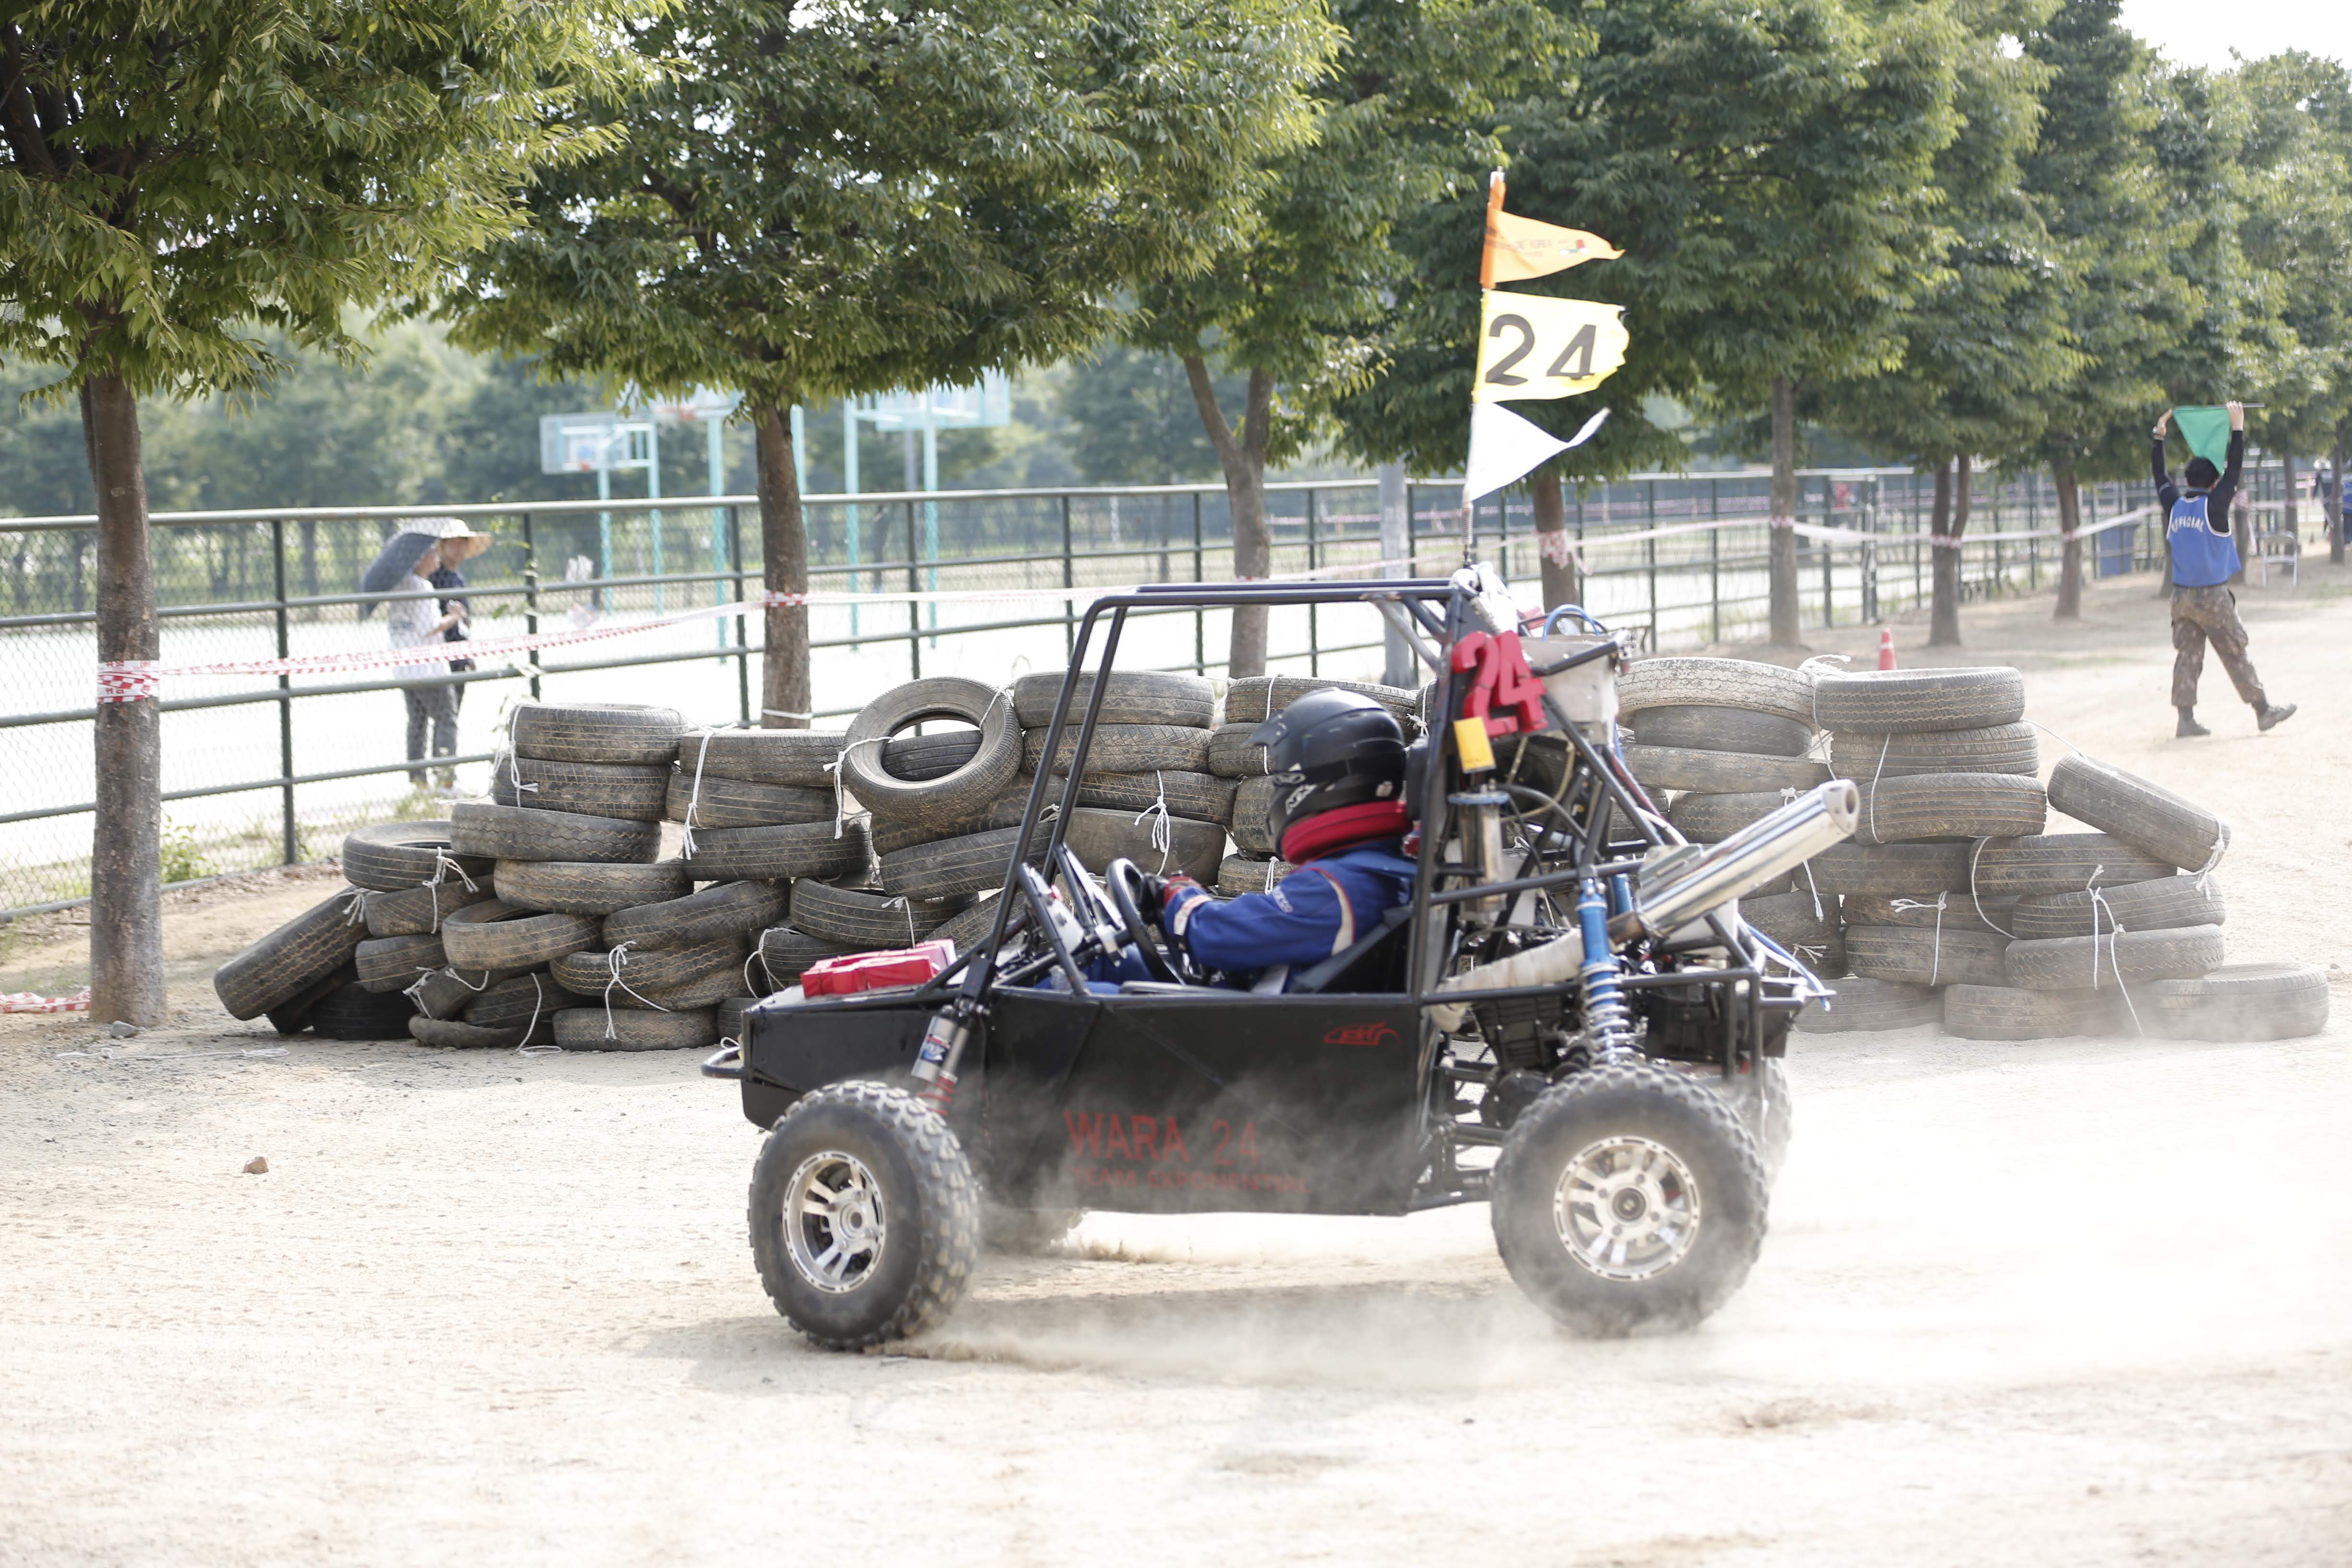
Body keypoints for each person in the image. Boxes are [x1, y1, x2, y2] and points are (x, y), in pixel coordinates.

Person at [1124, 689, 1419, 991]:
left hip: (1256, 1026)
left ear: (1312, 779)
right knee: (1126, 964)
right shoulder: (1383, 869)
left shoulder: (1338, 886)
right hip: (1273, 1007)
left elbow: (1217, 938)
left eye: (1283, 775)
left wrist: (1180, 897)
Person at [2153, 402, 2294, 737]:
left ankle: (2185, 719)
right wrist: (2238, 427)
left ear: (2187, 479)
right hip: (2213, 597)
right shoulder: (2215, 506)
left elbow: (2160, 476)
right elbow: (2235, 469)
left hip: (2181, 597)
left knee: (2187, 656)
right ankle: (2263, 710)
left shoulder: (2174, 505)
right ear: (2215, 484)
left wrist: (2158, 439)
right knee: (2234, 651)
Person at [360, 518, 493, 788]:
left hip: (406, 666)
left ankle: (418, 780)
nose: (436, 558)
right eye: (432, 552)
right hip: (428, 666)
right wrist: (453, 617)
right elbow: (430, 627)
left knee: (418, 721)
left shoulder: (403, 585)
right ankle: (446, 781)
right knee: (447, 719)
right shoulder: (423, 586)